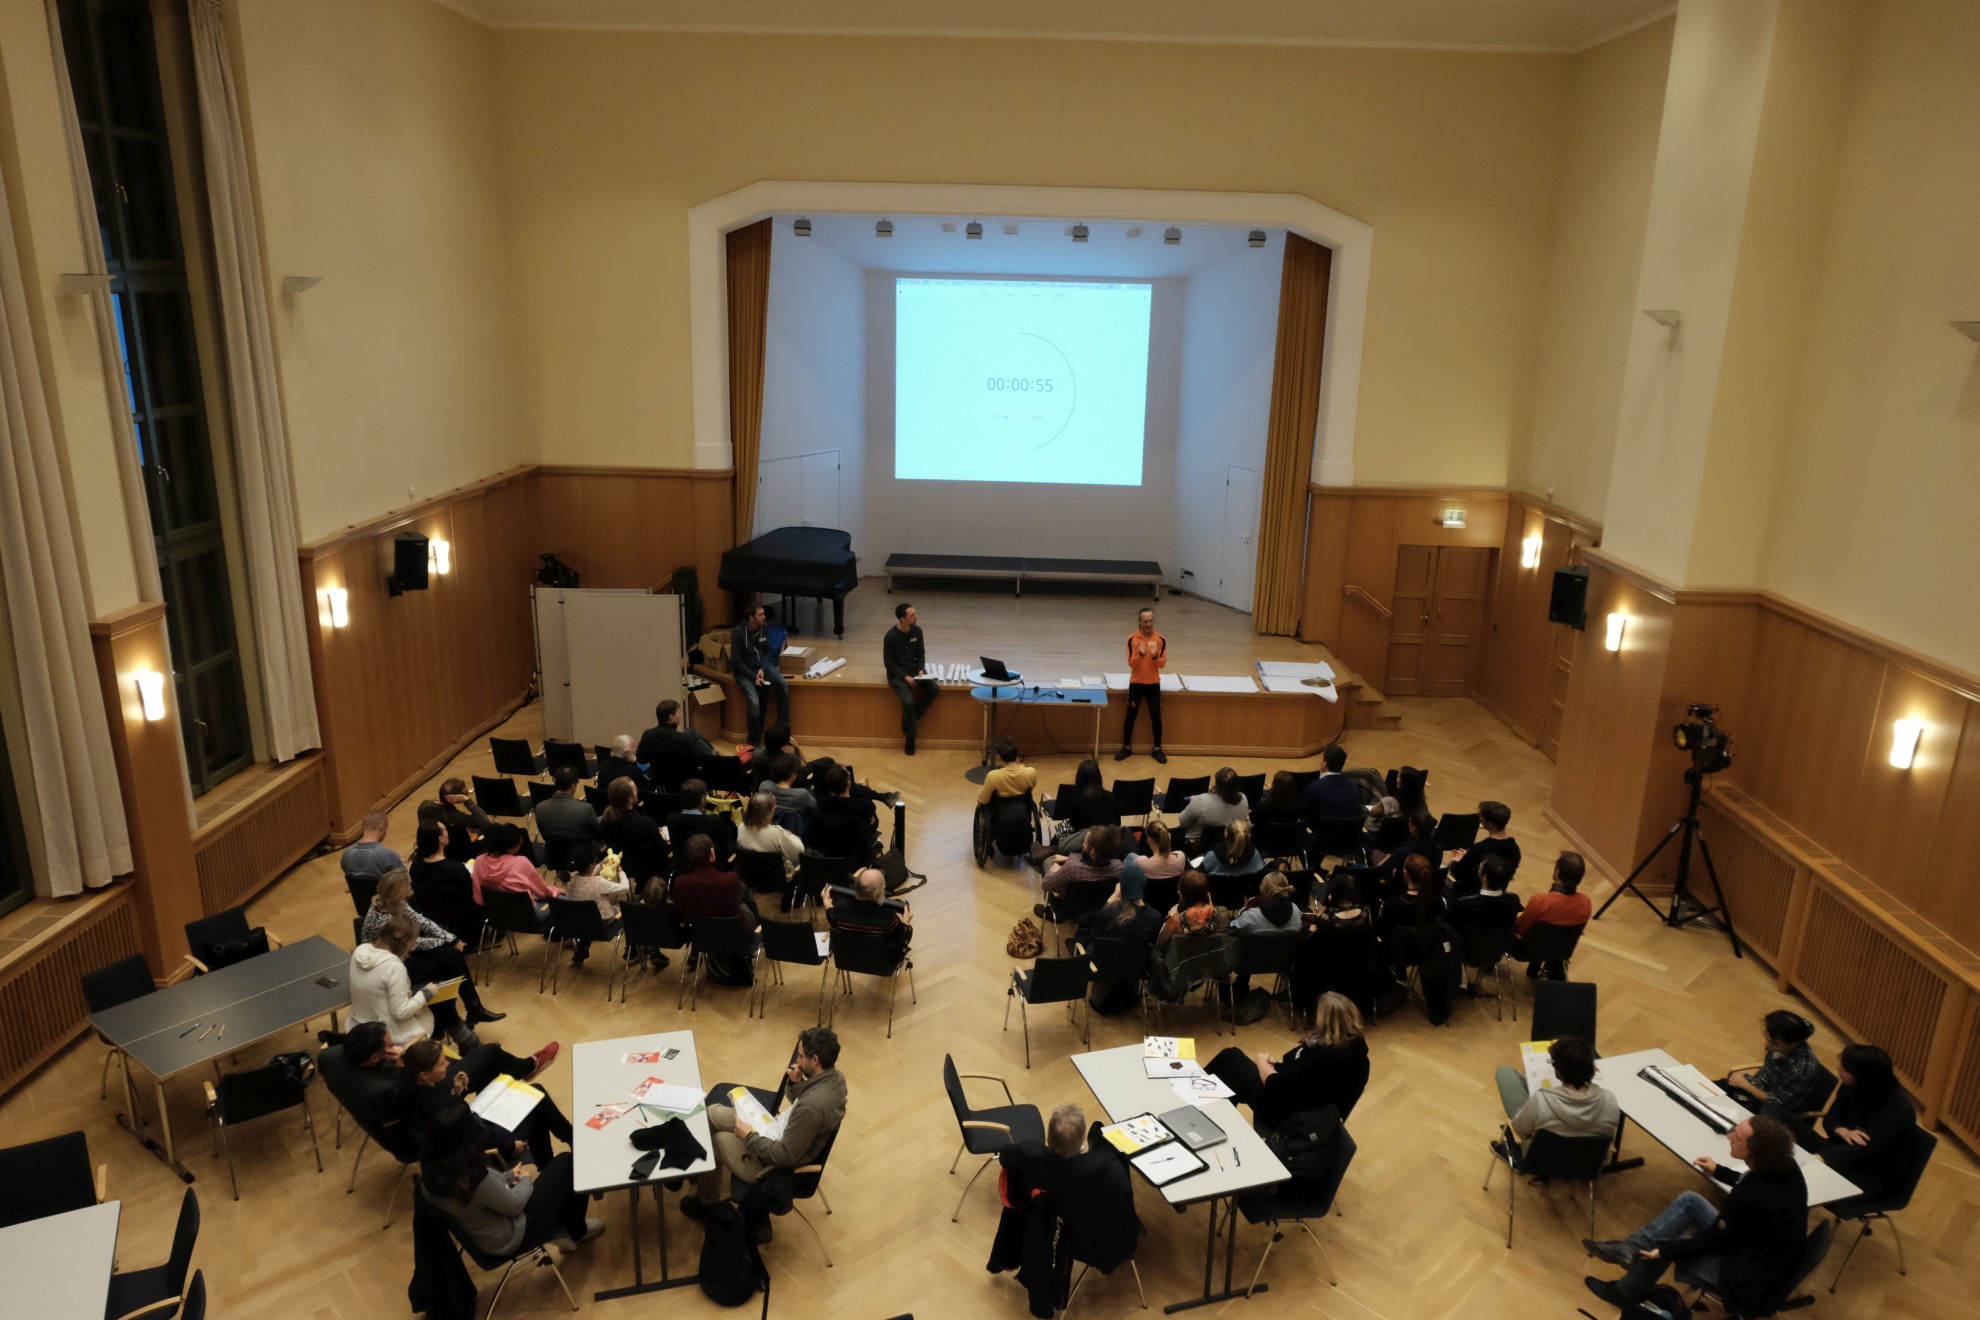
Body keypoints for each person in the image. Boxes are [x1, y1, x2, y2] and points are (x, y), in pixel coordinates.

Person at [1583, 1116, 1807, 1315]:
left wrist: (1664, 1250)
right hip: (1760, 1254)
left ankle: (1624, 1293)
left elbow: (1714, 1241)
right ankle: (1630, 1248)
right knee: (1690, 1201)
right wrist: (1719, 1171)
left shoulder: (1752, 1196)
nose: (1729, 1137)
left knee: (1669, 1244)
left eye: (1737, 1137)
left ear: (1755, 1151)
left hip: (1744, 1280)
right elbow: (1748, 1184)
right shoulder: (1783, 1166)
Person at [688, 1027, 847, 1225]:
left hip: (770, 1162)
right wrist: (795, 1083)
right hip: (775, 1130)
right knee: (712, 1112)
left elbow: (785, 1155)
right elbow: (801, 1112)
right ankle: (687, 1161)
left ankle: (706, 1202)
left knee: (715, 1139)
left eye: (801, 1056)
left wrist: (748, 1136)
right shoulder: (834, 1079)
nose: (797, 1062)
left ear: (815, 1060)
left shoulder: (812, 1108)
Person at [400, 1038, 572, 1169]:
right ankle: (563, 1147)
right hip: (486, 1150)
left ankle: (549, 1161)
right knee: (536, 1096)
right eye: (441, 1063)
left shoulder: (411, 1091)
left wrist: (456, 1093)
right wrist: (511, 1147)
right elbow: (480, 1138)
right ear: (424, 1075)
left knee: (533, 1096)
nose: (447, 1064)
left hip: (463, 1136)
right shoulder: (446, 1109)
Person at [1205, 992, 1370, 1127]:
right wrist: (1276, 1066)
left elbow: (1277, 1085)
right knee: (1230, 1073)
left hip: (1289, 1115)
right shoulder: (1355, 1051)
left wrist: (1262, 1062)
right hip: (1305, 1106)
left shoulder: (1323, 1059)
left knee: (1230, 1058)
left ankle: (1202, 1108)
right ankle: (1216, 1118)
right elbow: (1299, 1080)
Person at [362, 869, 502, 1025]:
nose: (411, 885)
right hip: (390, 963)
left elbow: (422, 922)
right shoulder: (383, 919)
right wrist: (444, 942)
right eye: (408, 884)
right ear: (399, 890)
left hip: (406, 951)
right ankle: (452, 1022)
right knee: (442, 967)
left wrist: (452, 939)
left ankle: (474, 1008)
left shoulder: (397, 903)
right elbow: (413, 943)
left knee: (453, 955)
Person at [420, 1140, 603, 1259]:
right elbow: (515, 1205)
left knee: (560, 1173)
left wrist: (508, 1176)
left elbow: (487, 1192)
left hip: (489, 1238)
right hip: (514, 1235)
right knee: (567, 1162)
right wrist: (525, 1180)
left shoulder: (430, 1182)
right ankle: (577, 1232)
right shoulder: (473, 1179)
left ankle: (566, 1228)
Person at [1785, 1043, 1915, 1199]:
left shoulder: (1898, 1111)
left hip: (1866, 1172)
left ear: (1862, 1075)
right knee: (1775, 1111)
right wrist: (1843, 1131)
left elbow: (1865, 1150)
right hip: (1837, 1149)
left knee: (1792, 1183)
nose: (1838, 1068)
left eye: (1845, 1068)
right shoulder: (1852, 1084)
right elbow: (1831, 1118)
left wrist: (1819, 1158)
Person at [351, 914, 474, 1048]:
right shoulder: (394, 967)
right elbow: (401, 1013)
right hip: (390, 1035)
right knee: (436, 993)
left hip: (362, 1022)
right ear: (405, 943)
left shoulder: (360, 951)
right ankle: (462, 1040)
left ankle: (459, 1039)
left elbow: (377, 988)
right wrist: (425, 994)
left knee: (433, 990)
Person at [1491, 1035, 1618, 1162]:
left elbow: (1519, 1128)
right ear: (1593, 1068)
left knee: (1504, 1072)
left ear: (1558, 1072)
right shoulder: (1610, 1101)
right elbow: (1607, 1134)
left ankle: (1514, 1157)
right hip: (1587, 1163)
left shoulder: (1541, 1101)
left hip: (1540, 1161)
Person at [1721, 1011, 1823, 1113]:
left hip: (1766, 1109)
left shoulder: (1802, 1071)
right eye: (1768, 1039)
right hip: (1755, 1087)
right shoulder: (1790, 1033)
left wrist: (1745, 1085)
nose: (1767, 1046)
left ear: (1793, 1043)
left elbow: (1778, 1105)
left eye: (1775, 1043)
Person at [1513, 851, 1591, 978]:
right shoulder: (1586, 903)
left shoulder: (1541, 901)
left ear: (1557, 872)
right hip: (1560, 952)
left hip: (1525, 951)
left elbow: (1520, 930)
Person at [410, 820, 483, 950]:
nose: (448, 833)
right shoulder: (455, 869)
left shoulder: (415, 866)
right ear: (440, 838)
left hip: (434, 918)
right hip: (464, 923)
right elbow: (471, 897)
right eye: (445, 830)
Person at [471, 823, 562, 920]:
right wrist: (556, 890)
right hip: (527, 916)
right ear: (512, 847)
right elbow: (544, 892)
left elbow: (479, 898)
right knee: (565, 901)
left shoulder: (479, 861)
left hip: (497, 914)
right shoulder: (521, 862)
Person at [730, 603, 791, 747]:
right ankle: (754, 740)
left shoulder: (764, 627)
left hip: (762, 668)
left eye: (763, 614)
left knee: (783, 684)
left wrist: (763, 668)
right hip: (744, 672)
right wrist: (753, 677)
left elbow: (767, 651)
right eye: (760, 614)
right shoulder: (738, 632)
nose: (764, 617)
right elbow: (736, 661)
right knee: (754, 702)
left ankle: (782, 729)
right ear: (751, 618)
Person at [559, 841, 629, 963]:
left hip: (579, 922)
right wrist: (621, 872)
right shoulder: (599, 882)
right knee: (625, 909)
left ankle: (584, 945)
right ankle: (632, 949)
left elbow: (587, 878)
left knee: (587, 913)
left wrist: (600, 864)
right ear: (591, 864)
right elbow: (625, 887)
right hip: (602, 923)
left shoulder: (569, 878)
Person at [883, 602, 938, 755]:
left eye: (915, 613)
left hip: (914, 670)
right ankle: (910, 738)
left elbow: (920, 654)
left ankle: (912, 717)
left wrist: (920, 669)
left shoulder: (917, 631)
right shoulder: (890, 636)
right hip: (897, 674)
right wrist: (904, 677)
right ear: (902, 618)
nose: (915, 616)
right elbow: (888, 663)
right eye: (912, 615)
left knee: (934, 689)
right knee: (908, 702)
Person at [824, 867, 913, 960]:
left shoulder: (839, 911)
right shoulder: (889, 918)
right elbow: (903, 934)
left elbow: (830, 915)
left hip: (849, 959)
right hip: (881, 961)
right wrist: (906, 921)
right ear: (879, 893)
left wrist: (826, 901)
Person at [1116, 607, 1168, 763]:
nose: (1148, 624)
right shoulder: (1132, 639)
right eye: (1145, 621)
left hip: (1153, 684)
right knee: (1130, 716)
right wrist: (1140, 655)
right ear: (1139, 622)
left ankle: (1157, 749)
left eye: (1151, 620)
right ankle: (1126, 747)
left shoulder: (1160, 640)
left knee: (1156, 717)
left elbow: (1162, 664)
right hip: (1136, 684)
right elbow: (1131, 664)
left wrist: (1155, 657)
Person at [599, 776, 667, 887]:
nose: (637, 791)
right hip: (649, 869)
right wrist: (661, 836)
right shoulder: (645, 823)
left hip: (624, 867)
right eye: (636, 789)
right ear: (630, 798)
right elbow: (663, 851)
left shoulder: (605, 821)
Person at [808, 765, 880, 863]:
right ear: (848, 782)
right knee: (873, 820)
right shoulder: (865, 805)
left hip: (828, 857)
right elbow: (869, 824)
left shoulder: (822, 805)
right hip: (855, 857)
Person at [1449, 799, 1520, 897]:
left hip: (1472, 894)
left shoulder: (1480, 849)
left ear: (1490, 824)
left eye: (1481, 817)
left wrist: (1455, 861)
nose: (1480, 819)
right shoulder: (1515, 849)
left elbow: (1458, 873)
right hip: (1498, 893)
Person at [1038, 825, 1125, 902]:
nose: (1082, 844)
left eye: (1085, 843)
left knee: (1047, 862)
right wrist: (1068, 858)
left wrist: (1054, 871)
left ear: (1092, 851)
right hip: (1100, 906)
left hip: (1068, 907)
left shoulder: (1072, 868)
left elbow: (1045, 885)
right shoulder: (1119, 867)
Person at [665, 778, 739, 868]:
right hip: (713, 867)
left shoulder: (671, 819)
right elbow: (729, 838)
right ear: (703, 799)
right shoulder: (714, 821)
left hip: (683, 867)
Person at [532, 766, 599, 860]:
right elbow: (598, 835)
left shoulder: (540, 808)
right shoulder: (586, 809)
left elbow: (545, 836)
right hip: (582, 859)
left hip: (554, 858)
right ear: (573, 785)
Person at [1448, 855, 1523, 933]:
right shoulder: (1513, 899)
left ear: (1484, 877)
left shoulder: (1465, 903)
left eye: (1479, 868)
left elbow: (1449, 923)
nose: (1478, 870)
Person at [636, 697, 715, 771]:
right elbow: (698, 761)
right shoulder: (682, 739)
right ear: (671, 717)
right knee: (691, 732)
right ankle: (715, 758)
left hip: (659, 779)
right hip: (683, 779)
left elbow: (641, 760)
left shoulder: (648, 735)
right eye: (678, 713)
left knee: (690, 732)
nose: (681, 715)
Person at [1179, 767, 1250, 845]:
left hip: (1197, 847)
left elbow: (1182, 821)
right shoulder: (1243, 798)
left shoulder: (1200, 801)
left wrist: (1194, 803)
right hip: (1230, 845)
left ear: (1217, 784)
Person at [425, 780, 492, 862]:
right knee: (490, 833)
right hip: (458, 855)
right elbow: (484, 822)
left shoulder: (425, 805)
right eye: (463, 794)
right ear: (453, 798)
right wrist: (467, 800)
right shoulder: (452, 816)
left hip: (433, 848)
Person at [1158, 869, 1226, 946]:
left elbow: (1160, 945)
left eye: (1180, 890)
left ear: (1186, 895)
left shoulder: (1175, 922)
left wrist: (1171, 917)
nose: (1178, 892)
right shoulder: (1223, 914)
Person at [738, 790, 804, 868]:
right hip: (778, 873)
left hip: (750, 872)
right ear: (766, 813)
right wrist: (790, 835)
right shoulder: (777, 833)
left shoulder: (741, 827)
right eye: (773, 806)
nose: (776, 806)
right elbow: (799, 851)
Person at [1299, 745, 1360, 822]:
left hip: (1320, 829)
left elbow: (1305, 816)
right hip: (1346, 829)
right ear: (1342, 766)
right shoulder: (1353, 787)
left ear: (1324, 764)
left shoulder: (1314, 787)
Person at [342, 809, 403, 885]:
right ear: (381, 827)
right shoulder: (390, 856)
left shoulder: (346, 855)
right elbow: (401, 882)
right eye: (386, 828)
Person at [756, 753, 818, 821]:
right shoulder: (801, 794)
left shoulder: (764, 786)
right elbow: (814, 805)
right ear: (792, 774)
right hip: (794, 823)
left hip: (770, 820)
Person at [976, 736, 1038, 805]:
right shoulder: (1031, 772)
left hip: (1000, 810)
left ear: (999, 757)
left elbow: (983, 800)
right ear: (1016, 755)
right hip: (1023, 809)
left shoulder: (993, 776)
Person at [594, 735, 652, 807]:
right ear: (626, 754)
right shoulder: (634, 771)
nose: (635, 755)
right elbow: (648, 791)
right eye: (634, 752)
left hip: (605, 807)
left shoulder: (603, 765)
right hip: (626, 808)